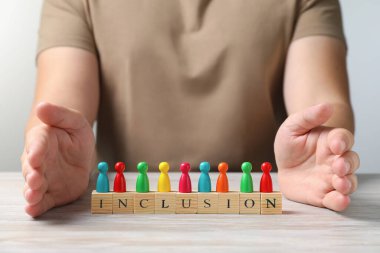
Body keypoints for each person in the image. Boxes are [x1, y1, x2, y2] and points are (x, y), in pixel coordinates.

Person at [21, 0, 360, 217]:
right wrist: (51, 148)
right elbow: (58, 106)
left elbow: (321, 106)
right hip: (122, 219)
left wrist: (323, 150)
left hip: (261, 214)